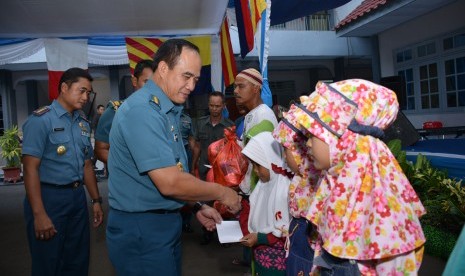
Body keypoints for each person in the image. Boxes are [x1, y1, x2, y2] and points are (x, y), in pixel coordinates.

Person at [105, 38, 242, 276]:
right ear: (163, 69)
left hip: (162, 223)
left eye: (196, 79)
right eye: (186, 76)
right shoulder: (143, 111)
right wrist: (222, 192)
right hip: (142, 229)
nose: (191, 86)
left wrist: (196, 205)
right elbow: (169, 182)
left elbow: (173, 172)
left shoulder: (166, 110)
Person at [282, 79, 426, 275]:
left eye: (313, 136)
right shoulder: (337, 190)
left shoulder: (385, 211)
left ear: (343, 140)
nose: (307, 145)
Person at [21, 67, 104, 276]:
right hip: (49, 198)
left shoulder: (82, 123)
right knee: (48, 262)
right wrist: (39, 214)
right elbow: (30, 169)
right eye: (81, 90)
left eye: (89, 92)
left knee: (77, 260)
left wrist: (95, 200)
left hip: (76, 198)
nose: (86, 97)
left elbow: (86, 165)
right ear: (64, 88)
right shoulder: (41, 121)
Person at [272, 117, 320, 275]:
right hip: (297, 244)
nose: (285, 157)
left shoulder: (315, 184)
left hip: (306, 251)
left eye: (286, 150)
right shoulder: (301, 179)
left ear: (301, 150)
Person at [240, 132, 292, 276]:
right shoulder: (263, 185)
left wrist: (260, 238)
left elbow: (285, 230)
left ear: (272, 160)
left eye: (258, 165)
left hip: (278, 265)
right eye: (253, 165)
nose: (255, 171)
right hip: (260, 259)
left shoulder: (285, 188)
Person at [94, 59, 154, 165]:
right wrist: (124, 168)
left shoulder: (163, 111)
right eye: (147, 82)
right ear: (134, 81)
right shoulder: (116, 111)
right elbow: (101, 150)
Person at [192, 91, 234, 181]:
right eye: (212, 105)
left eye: (217, 106)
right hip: (203, 169)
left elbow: (232, 151)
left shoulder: (230, 126)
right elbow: (197, 147)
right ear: (208, 105)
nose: (214, 108)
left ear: (223, 106)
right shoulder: (200, 123)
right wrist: (192, 167)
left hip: (222, 170)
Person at [180, 110, 196, 233]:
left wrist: (192, 164)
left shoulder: (187, 119)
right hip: (169, 153)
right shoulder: (163, 115)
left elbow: (191, 140)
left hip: (185, 153)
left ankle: (186, 221)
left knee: (187, 188)